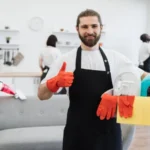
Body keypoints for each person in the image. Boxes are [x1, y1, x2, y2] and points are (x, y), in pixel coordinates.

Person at [38, 9, 148, 150]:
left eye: (94, 26)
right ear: (77, 29)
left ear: (101, 28)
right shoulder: (65, 60)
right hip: (77, 136)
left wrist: (119, 100)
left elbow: (146, 80)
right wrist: (53, 84)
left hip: (109, 136)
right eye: (84, 27)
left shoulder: (116, 58)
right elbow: (41, 95)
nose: (90, 31)